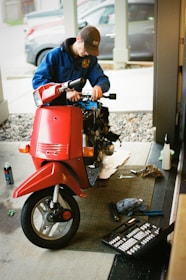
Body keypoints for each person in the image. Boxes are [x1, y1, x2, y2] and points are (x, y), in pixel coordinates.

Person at [32, 25, 110, 104]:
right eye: (86, 48)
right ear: (79, 39)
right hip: (54, 106)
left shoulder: (90, 58)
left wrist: (99, 86)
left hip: (75, 105)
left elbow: (102, 79)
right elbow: (38, 81)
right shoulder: (55, 55)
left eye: (91, 50)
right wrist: (63, 92)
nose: (87, 53)